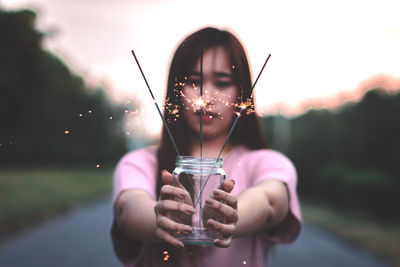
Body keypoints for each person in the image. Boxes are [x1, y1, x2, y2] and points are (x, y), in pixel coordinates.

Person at [111, 27, 301, 267]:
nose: (206, 96)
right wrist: (158, 216)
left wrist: (231, 216)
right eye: (193, 81)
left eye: (222, 82)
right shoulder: (140, 163)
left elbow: (270, 201)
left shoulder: (268, 162)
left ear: (242, 93)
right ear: (175, 91)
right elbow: (128, 209)